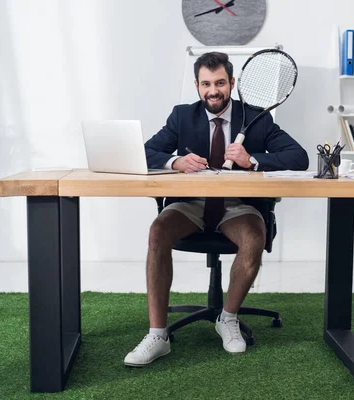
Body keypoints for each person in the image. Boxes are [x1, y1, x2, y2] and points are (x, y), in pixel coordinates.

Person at [124, 52, 309, 367]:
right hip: (190, 206)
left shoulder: (258, 118)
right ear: (197, 86)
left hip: (237, 208)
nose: (214, 90)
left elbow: (299, 157)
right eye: (206, 84)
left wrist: (251, 161)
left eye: (220, 83)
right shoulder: (182, 116)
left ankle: (228, 317)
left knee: (253, 237)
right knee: (158, 231)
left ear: (232, 83)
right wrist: (175, 162)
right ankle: (158, 334)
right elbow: (145, 153)